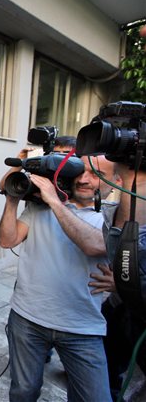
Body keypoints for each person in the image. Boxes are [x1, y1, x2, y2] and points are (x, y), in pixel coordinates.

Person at [0, 153, 121, 401]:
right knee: (23, 391)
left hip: (82, 328)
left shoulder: (115, 217)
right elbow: (7, 240)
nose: (84, 179)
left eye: (97, 174)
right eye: (81, 171)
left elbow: (94, 244)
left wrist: (55, 201)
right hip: (27, 318)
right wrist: (12, 200)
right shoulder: (39, 207)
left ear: (116, 180)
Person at [91, 162, 146, 402]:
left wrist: (127, 284)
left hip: (137, 315)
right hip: (119, 310)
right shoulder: (115, 212)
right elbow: (119, 246)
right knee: (106, 376)